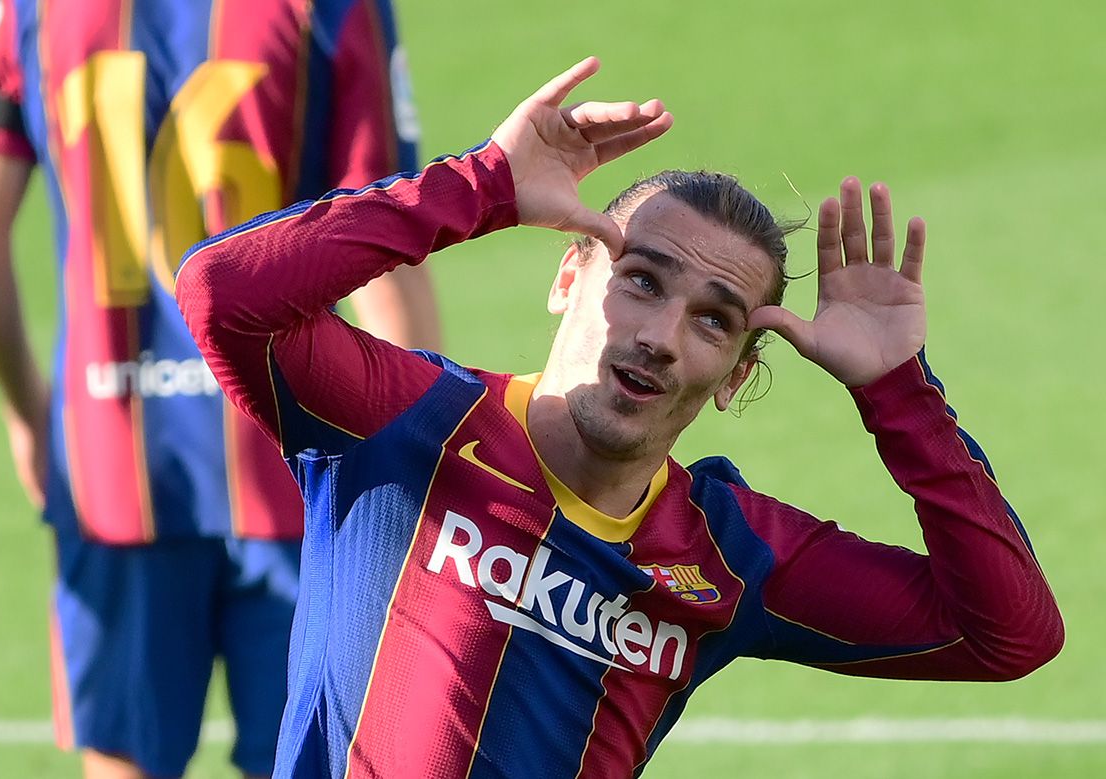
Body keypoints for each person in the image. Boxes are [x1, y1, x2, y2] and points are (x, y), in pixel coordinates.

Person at [176, 57, 1063, 778]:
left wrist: (897, 391)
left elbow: (1010, 631)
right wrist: (480, 184)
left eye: (714, 319)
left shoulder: (730, 556)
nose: (662, 336)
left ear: (733, 375)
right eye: (641, 280)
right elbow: (223, 294)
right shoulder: (407, 421)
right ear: (570, 278)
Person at [0, 0, 440, 777]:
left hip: (110, 469)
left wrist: (33, 416)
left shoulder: (28, 10)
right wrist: (426, 470)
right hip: (299, 474)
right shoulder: (333, 8)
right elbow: (385, 252)